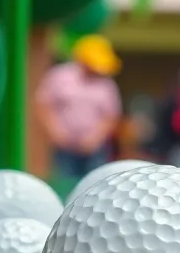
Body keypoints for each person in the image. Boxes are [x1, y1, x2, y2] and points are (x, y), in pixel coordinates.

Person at [35, 34, 124, 187]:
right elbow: (43, 105)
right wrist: (55, 131)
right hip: (64, 146)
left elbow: (111, 116)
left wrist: (96, 138)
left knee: (95, 185)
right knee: (65, 185)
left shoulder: (106, 85)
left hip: (94, 148)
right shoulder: (60, 76)